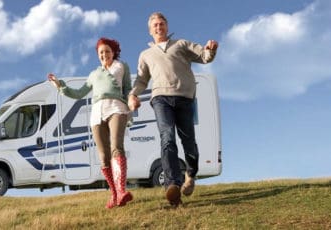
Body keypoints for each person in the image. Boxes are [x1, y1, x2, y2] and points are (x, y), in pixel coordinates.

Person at [127, 12, 218, 207]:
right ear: (150, 31)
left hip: (184, 98)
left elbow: (204, 56)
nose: (158, 27)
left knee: (189, 142)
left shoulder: (181, 45)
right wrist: (133, 94)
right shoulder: (146, 55)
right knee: (167, 137)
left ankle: (190, 175)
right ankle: (172, 185)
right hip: (160, 99)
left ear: (167, 27)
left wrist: (211, 50)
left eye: (161, 24)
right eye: (155, 25)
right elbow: (142, 79)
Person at [47, 37, 133, 209]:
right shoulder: (94, 74)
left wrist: (131, 104)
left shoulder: (122, 66)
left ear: (113, 52)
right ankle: (114, 194)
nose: (104, 54)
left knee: (117, 146)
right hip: (97, 114)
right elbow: (79, 93)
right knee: (103, 156)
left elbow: (128, 88)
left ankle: (122, 190)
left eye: (107, 51)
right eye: (101, 52)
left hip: (116, 108)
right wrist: (59, 85)